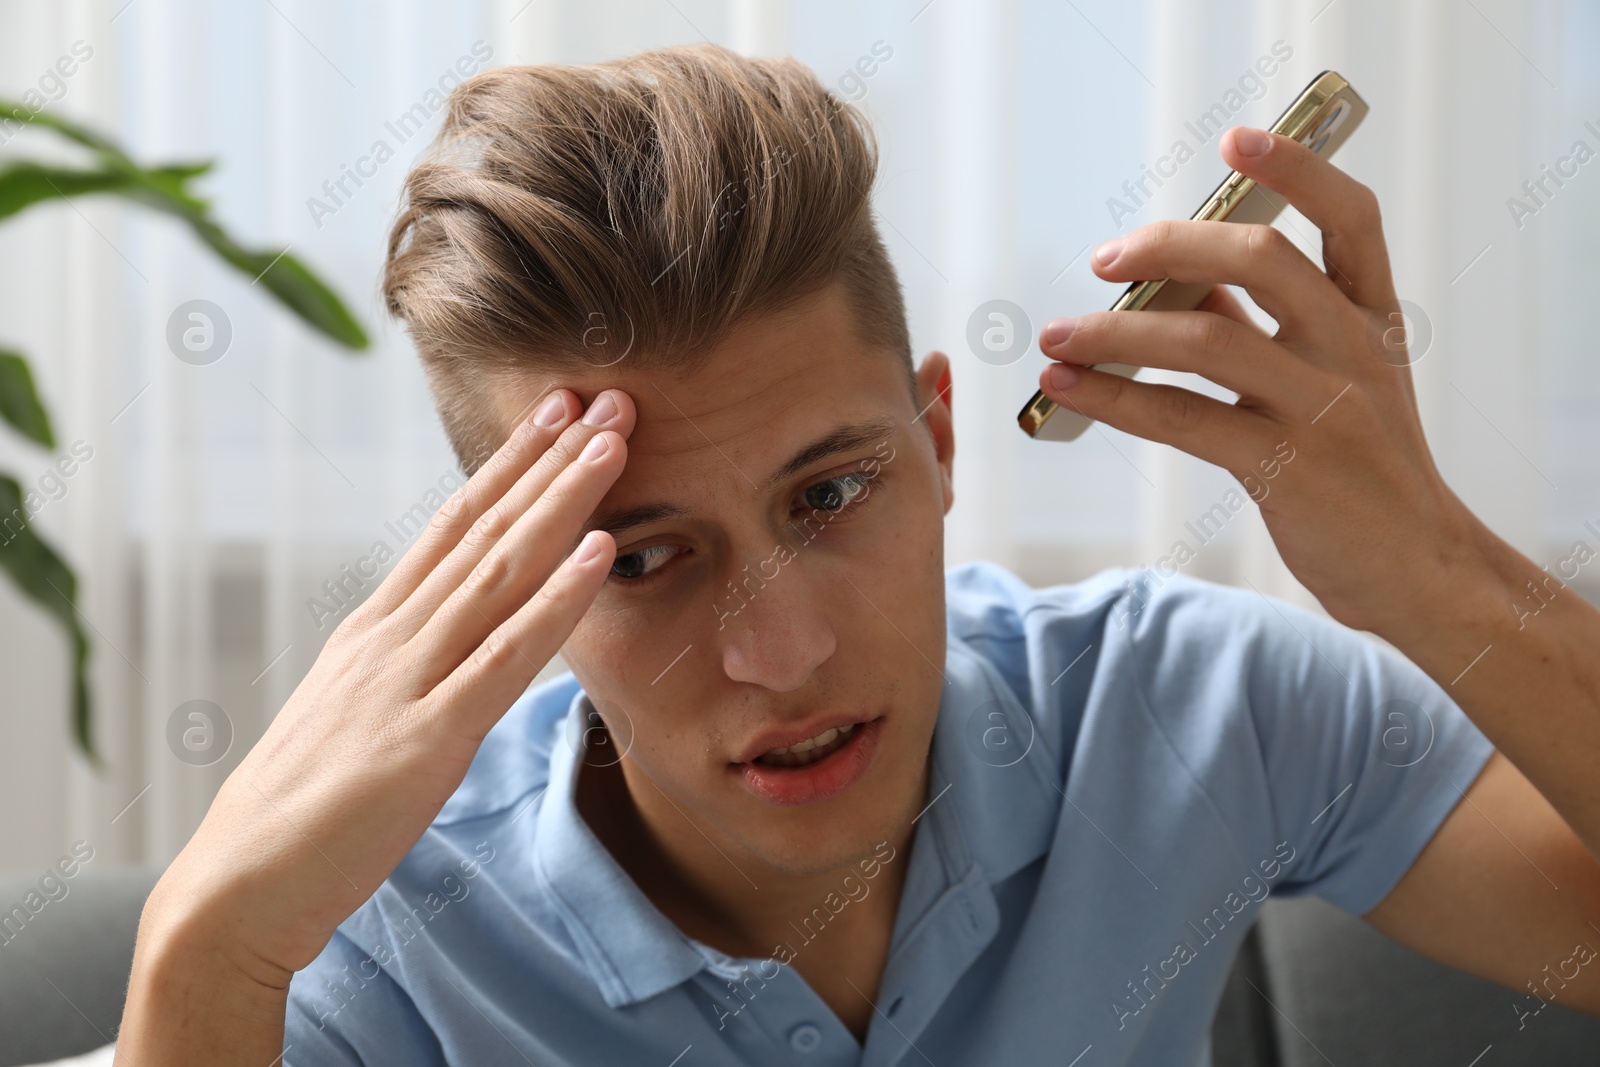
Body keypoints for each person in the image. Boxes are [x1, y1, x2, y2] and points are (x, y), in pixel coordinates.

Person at [117, 43, 1600, 1065]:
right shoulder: (377, 946)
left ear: (940, 438)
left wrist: (1434, 570)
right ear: (513, 581)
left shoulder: (1184, 703)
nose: (784, 653)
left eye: (829, 496)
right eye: (642, 560)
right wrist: (199, 958)